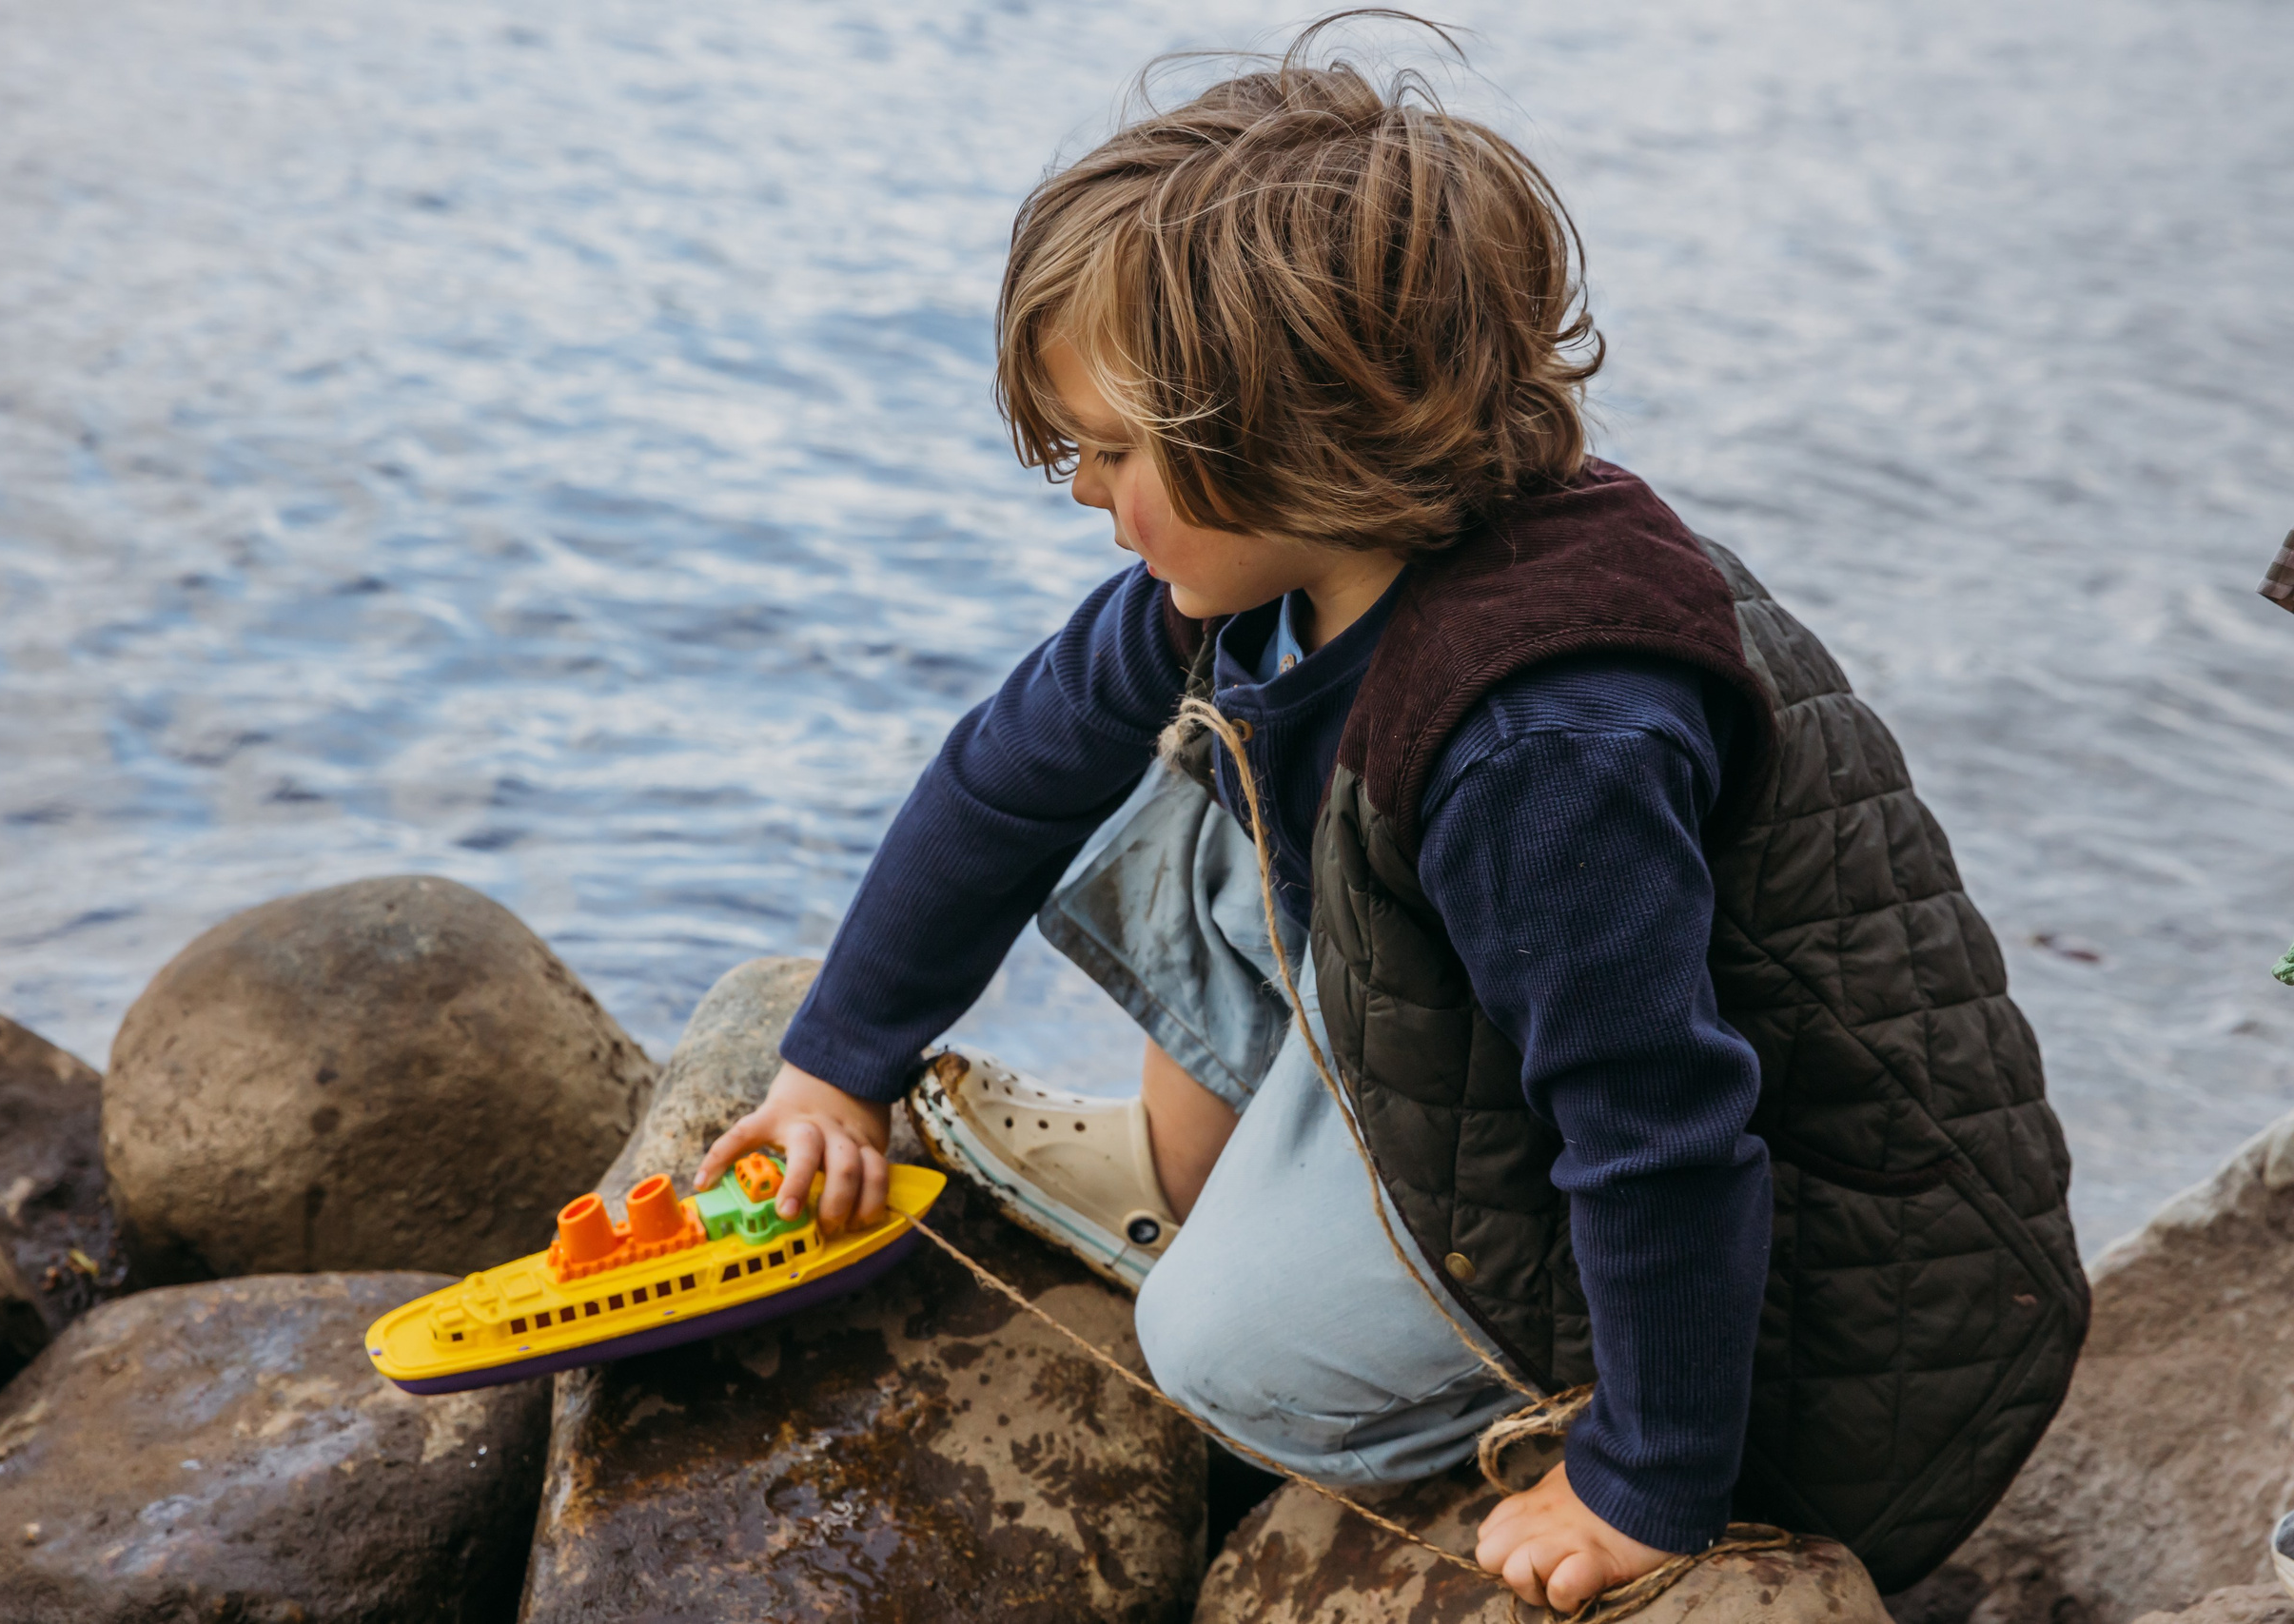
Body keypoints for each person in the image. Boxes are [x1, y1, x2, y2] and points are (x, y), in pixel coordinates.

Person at [696, 16, 2086, 1614]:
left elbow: (1658, 1128)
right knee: (1167, 761)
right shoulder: (1276, 574)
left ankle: (1548, 1383)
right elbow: (1005, 776)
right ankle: (1194, 1159)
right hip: (1541, 1070)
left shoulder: (1537, 743)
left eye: (1112, 451)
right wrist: (834, 1067)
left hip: (1852, 1320)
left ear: (1296, 432)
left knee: (1215, 1350)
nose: (1081, 491)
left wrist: (1650, 1482)